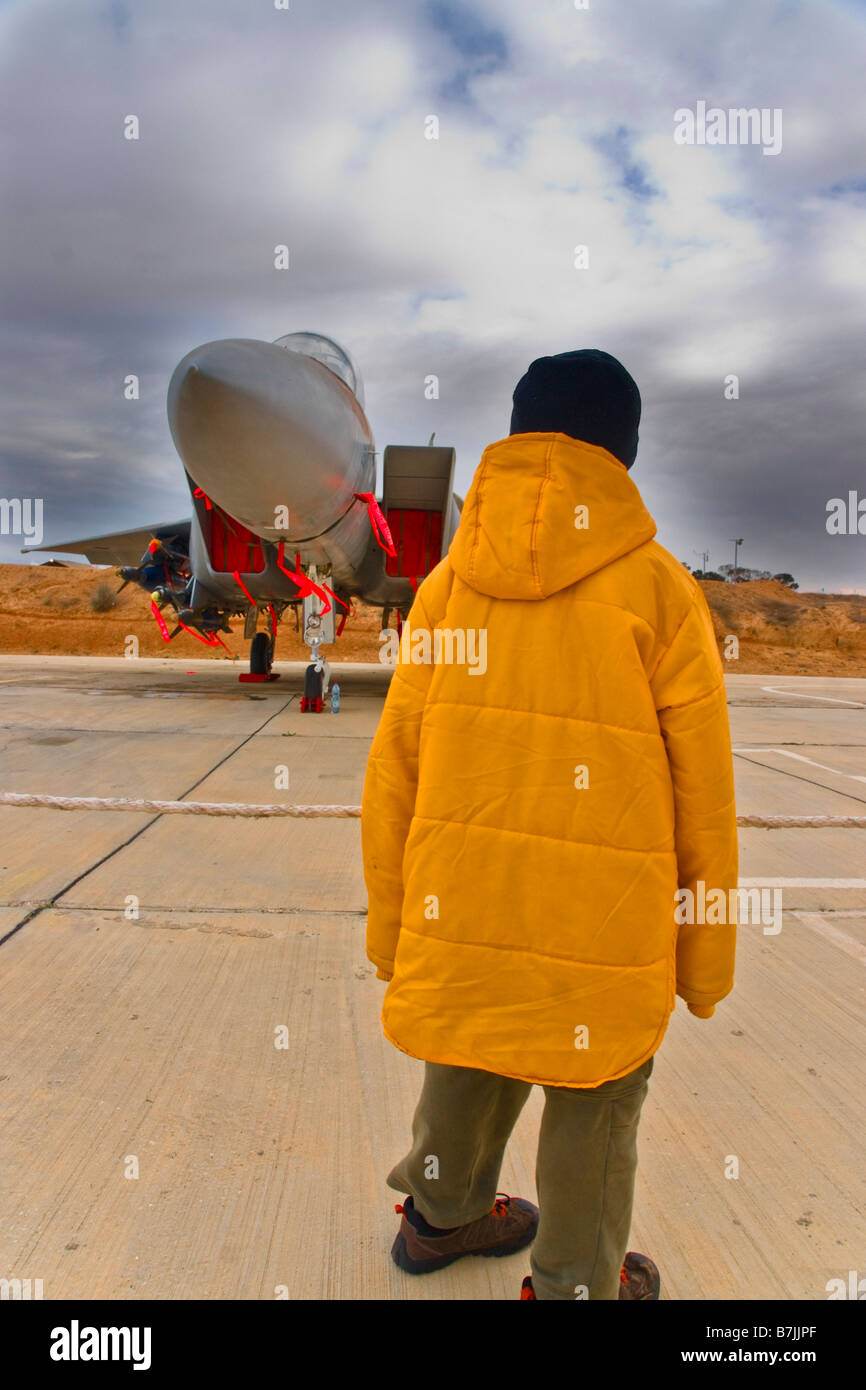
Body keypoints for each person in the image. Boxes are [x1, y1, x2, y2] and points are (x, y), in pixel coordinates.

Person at [361, 349, 738, 1301]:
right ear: (624, 454)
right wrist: (705, 957)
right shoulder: (658, 591)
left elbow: (394, 768)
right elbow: (704, 793)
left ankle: (441, 1221)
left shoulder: (447, 586)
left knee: (469, 1046)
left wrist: (392, 925)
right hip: (603, 915)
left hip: (465, 898)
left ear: (518, 436)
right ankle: (575, 1283)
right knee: (598, 1094)